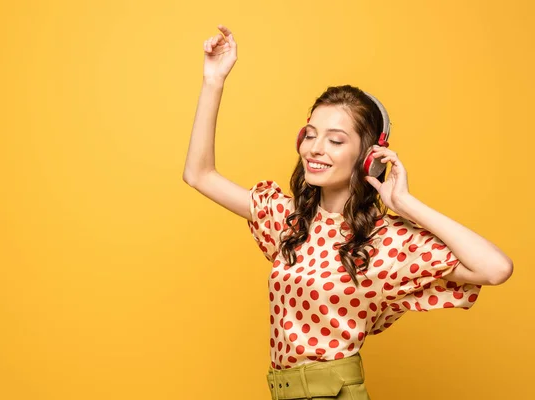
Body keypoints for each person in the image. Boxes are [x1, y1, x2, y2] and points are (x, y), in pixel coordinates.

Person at [182, 25, 513, 400]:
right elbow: (199, 174)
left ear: (369, 157)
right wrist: (213, 80)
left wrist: (407, 204)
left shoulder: (388, 242)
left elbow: (495, 268)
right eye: (310, 134)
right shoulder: (287, 221)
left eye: (336, 140)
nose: (315, 148)